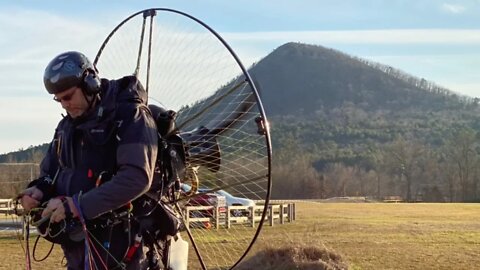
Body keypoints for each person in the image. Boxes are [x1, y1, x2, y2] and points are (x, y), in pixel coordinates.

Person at [19, 51, 158, 270]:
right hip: (78, 246)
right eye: (58, 99)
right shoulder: (66, 127)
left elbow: (136, 178)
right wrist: (38, 191)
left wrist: (75, 205)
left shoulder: (130, 116)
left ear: (90, 83)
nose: (64, 105)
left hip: (120, 246)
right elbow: (51, 172)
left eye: (68, 97)